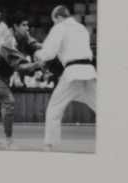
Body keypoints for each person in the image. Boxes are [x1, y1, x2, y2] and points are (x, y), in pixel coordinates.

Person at [34, 6, 96, 148]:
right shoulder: (82, 28)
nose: (54, 24)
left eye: (54, 21)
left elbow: (49, 53)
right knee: (102, 107)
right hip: (89, 71)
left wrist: (38, 54)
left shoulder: (59, 27)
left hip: (73, 73)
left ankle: (50, 143)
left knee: (54, 108)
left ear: (59, 17)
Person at [0, 20, 35, 146]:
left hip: (4, 75)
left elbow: (35, 47)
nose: (27, 28)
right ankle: (9, 140)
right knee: (8, 101)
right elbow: (19, 66)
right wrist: (36, 65)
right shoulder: (9, 40)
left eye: (28, 25)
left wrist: (41, 58)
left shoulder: (23, 38)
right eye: (24, 25)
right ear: (15, 26)